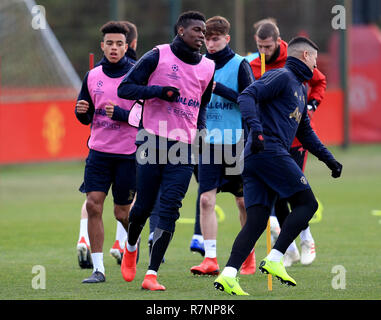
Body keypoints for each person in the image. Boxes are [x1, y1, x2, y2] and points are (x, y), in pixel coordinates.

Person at [214, 36, 342, 295]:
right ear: (305, 57)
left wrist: (329, 160)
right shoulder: (282, 77)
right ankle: (275, 258)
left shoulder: (301, 89)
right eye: (315, 60)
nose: (317, 66)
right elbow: (248, 95)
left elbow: (305, 132)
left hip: (256, 157)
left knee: (257, 221)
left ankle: (228, 274)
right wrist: (257, 131)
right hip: (267, 150)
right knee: (308, 205)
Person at [117, 11, 214, 291]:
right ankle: (131, 246)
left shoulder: (208, 67)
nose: (202, 36)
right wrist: (158, 90)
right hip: (151, 140)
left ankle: (151, 274)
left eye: (204, 31)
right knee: (144, 206)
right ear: (181, 31)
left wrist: (202, 129)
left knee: (170, 208)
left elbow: (202, 103)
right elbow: (126, 89)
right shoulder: (157, 55)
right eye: (197, 30)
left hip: (184, 147)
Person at [249, 21, 327, 267]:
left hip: (294, 138)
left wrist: (311, 105)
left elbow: (319, 81)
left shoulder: (295, 60)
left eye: (268, 46)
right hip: (269, 141)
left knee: (294, 193)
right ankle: (290, 248)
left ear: (278, 41)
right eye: (259, 46)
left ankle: (307, 238)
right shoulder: (253, 65)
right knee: (278, 197)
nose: (264, 51)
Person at [189, 16, 255, 276]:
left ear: (226, 38)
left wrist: (220, 89)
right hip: (207, 144)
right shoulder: (198, 64)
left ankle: (248, 255)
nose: (210, 44)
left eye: (215, 39)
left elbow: (250, 100)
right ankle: (211, 259)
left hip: (236, 142)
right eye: (206, 39)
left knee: (242, 203)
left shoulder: (240, 65)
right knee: (206, 200)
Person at [75, 21, 138, 283]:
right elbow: (87, 113)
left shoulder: (137, 74)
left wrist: (122, 114)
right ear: (102, 46)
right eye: (109, 43)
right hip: (99, 152)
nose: (114, 48)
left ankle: (132, 248)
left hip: (127, 154)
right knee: (93, 205)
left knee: (122, 213)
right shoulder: (92, 75)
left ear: (127, 46)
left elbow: (146, 115)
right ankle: (98, 269)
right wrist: (81, 112)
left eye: (119, 44)